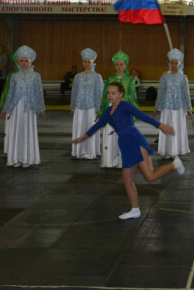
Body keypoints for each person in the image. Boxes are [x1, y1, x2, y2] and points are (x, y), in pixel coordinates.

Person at [72, 81, 184, 220]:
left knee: (150, 177)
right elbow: (98, 125)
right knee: (126, 179)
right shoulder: (108, 112)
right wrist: (82, 137)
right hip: (125, 144)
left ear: (121, 94)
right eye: (108, 93)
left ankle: (175, 164)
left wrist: (160, 125)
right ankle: (135, 210)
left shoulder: (125, 105)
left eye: (113, 93)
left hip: (135, 140)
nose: (110, 95)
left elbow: (142, 115)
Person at [2, 46, 46, 168]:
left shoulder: (36, 75)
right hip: (16, 108)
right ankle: (16, 158)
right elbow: (10, 94)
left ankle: (27, 158)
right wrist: (6, 109)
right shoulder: (14, 76)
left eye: (26, 61)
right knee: (16, 131)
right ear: (18, 62)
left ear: (31, 62)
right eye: (22, 60)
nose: (24, 63)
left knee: (27, 131)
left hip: (29, 107)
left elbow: (39, 92)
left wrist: (41, 108)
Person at [100, 50, 139, 168]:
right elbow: (104, 97)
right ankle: (110, 161)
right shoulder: (110, 79)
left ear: (125, 65)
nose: (119, 67)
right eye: (117, 64)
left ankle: (123, 161)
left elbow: (133, 97)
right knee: (111, 135)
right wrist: (102, 112)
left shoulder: (130, 80)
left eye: (121, 64)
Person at [155, 49, 192, 158]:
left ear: (179, 64)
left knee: (177, 128)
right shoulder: (164, 77)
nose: (174, 65)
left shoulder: (183, 77)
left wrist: (189, 109)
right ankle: (167, 150)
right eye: (172, 63)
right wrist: (156, 108)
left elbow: (186, 93)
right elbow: (161, 93)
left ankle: (177, 150)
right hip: (167, 108)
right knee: (167, 127)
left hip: (179, 108)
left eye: (176, 63)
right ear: (169, 64)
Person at [71, 48, 103, 160]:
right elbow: (74, 92)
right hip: (79, 106)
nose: (87, 64)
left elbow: (99, 93)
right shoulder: (78, 76)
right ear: (82, 63)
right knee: (80, 127)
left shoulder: (97, 76)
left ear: (93, 63)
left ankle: (90, 151)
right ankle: (79, 151)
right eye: (85, 62)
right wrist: (72, 107)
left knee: (90, 127)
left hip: (91, 107)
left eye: (89, 62)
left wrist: (99, 108)